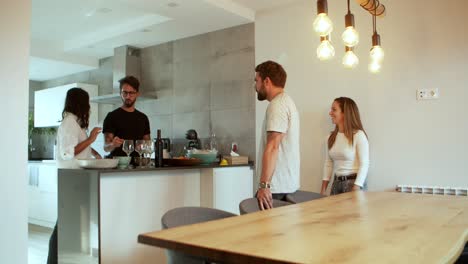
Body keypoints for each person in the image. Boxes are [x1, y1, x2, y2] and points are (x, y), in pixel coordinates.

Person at [47, 87, 102, 264]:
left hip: (75, 178)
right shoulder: (69, 123)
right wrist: (92, 139)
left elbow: (78, 145)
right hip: (71, 178)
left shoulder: (74, 123)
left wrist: (93, 151)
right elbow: (67, 152)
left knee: (67, 223)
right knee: (64, 223)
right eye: (86, 103)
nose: (88, 107)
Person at [255, 60, 300, 210]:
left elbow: (273, 146)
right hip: (282, 187)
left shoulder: (277, 105)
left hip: (274, 189)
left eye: (257, 81)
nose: (255, 86)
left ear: (266, 81)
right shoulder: (286, 102)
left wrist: (264, 185)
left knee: (268, 232)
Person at [320, 97, 369, 196]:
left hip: (353, 184)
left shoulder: (358, 135)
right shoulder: (331, 137)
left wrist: (356, 187)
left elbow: (365, 164)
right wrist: (323, 189)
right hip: (336, 184)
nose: (330, 113)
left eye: (334, 110)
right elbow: (328, 163)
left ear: (344, 113)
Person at [103, 76, 151, 158]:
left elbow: (148, 143)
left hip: (138, 165)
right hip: (117, 166)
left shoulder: (143, 118)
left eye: (131, 93)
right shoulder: (112, 116)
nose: (128, 96)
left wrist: (145, 146)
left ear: (137, 94)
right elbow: (106, 147)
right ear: (120, 93)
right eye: (125, 93)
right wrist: (113, 144)